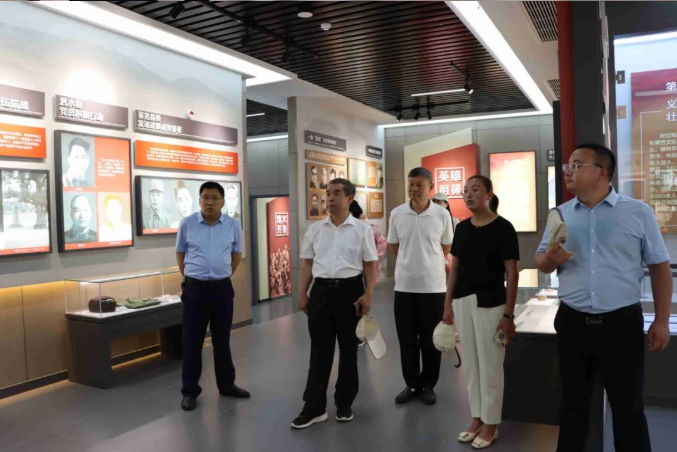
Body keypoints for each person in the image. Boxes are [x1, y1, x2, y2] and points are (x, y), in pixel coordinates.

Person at [535, 144, 672, 452]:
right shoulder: (560, 214)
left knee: (628, 407)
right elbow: (541, 259)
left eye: (576, 165)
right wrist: (550, 260)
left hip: (621, 324)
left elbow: (659, 267)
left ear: (601, 172)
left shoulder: (638, 212)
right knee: (573, 406)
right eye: (567, 165)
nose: (567, 171)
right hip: (573, 322)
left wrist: (662, 320)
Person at [292, 178, 378, 429]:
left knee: (349, 351)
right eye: (328, 193)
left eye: (336, 193)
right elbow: (307, 263)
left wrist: (368, 294)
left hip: (350, 292)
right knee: (319, 351)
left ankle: (344, 402)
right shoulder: (316, 229)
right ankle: (314, 407)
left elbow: (369, 264)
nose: (330, 198)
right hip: (321, 292)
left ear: (350, 198)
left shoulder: (362, 230)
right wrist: (302, 293)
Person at [443, 175, 519, 449]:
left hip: (491, 303)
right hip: (463, 301)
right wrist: (447, 304)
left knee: (491, 366)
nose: (468, 194)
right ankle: (477, 417)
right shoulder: (462, 228)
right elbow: (454, 269)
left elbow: (512, 273)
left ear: (489, 194)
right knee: (472, 366)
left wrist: (508, 315)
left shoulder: (503, 228)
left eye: (475, 189)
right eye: (465, 190)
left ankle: (491, 423)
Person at [176, 181, 250, 412]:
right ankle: (190, 391)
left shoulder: (233, 225)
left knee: (222, 339)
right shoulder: (187, 224)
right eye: (205, 198)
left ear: (222, 201)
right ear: (199, 200)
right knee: (192, 341)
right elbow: (180, 253)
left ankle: (226, 385)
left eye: (214, 198)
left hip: (221, 290)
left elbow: (236, 255)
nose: (210, 202)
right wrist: (190, 278)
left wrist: (222, 274)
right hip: (195, 290)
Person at [388, 167, 453, 406]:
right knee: (407, 339)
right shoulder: (397, 213)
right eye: (411, 184)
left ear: (430, 187)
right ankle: (411, 383)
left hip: (433, 288)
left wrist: (427, 263)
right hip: (404, 287)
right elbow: (395, 246)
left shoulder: (442, 214)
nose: (414, 189)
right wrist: (410, 263)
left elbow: (446, 247)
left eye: (419, 185)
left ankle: (428, 385)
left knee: (431, 339)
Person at [349, 200, 387, 284]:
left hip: (364, 265)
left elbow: (382, 242)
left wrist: (373, 254)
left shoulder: (367, 228)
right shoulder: (368, 227)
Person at [431, 192, 460, 278]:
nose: (435, 204)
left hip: (449, 259)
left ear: (446, 204)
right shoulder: (428, 221)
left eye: (438, 202)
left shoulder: (454, 221)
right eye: (434, 201)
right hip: (433, 259)